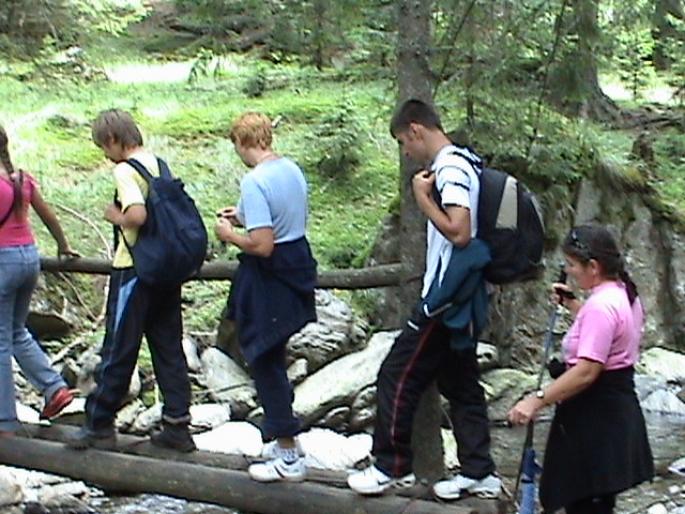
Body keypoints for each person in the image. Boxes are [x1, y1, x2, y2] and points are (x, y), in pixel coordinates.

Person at [348, 99, 501, 499]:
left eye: (403, 142)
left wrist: (422, 201)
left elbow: (460, 231)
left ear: (416, 129)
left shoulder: (450, 168)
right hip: (463, 294)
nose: (406, 151)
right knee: (461, 382)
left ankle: (390, 466)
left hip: (446, 297)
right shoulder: (467, 161)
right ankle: (478, 470)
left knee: (396, 375)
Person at [67, 109, 195, 452]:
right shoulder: (158, 164)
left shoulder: (125, 170)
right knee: (168, 348)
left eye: (103, 147)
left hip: (134, 271)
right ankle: (178, 426)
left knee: (119, 347)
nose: (104, 154)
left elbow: (137, 215)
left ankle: (98, 424)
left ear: (112, 140)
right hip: (165, 272)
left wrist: (116, 215)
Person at [507, 224, 654, 514]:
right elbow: (611, 334)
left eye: (572, 265)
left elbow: (587, 371)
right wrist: (575, 306)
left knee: (585, 503)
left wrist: (536, 400)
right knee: (595, 503)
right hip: (614, 415)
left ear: (594, 266)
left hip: (594, 421)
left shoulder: (601, 306)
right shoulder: (624, 293)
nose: (569, 271)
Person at [216, 112, 316, 483]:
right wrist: (243, 217)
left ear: (244, 143)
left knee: (263, 355)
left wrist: (229, 234)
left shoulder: (254, 180)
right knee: (271, 354)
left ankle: (288, 451)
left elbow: (262, 244)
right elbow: (284, 220)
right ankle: (283, 437)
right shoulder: (291, 170)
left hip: (271, 275)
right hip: (297, 265)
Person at [0, 124, 78, 436]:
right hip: (30, 258)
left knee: (0, 340)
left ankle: (5, 419)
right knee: (17, 331)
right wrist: (63, 245)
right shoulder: (20, 177)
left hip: (3, 261)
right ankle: (54, 387)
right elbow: (47, 214)